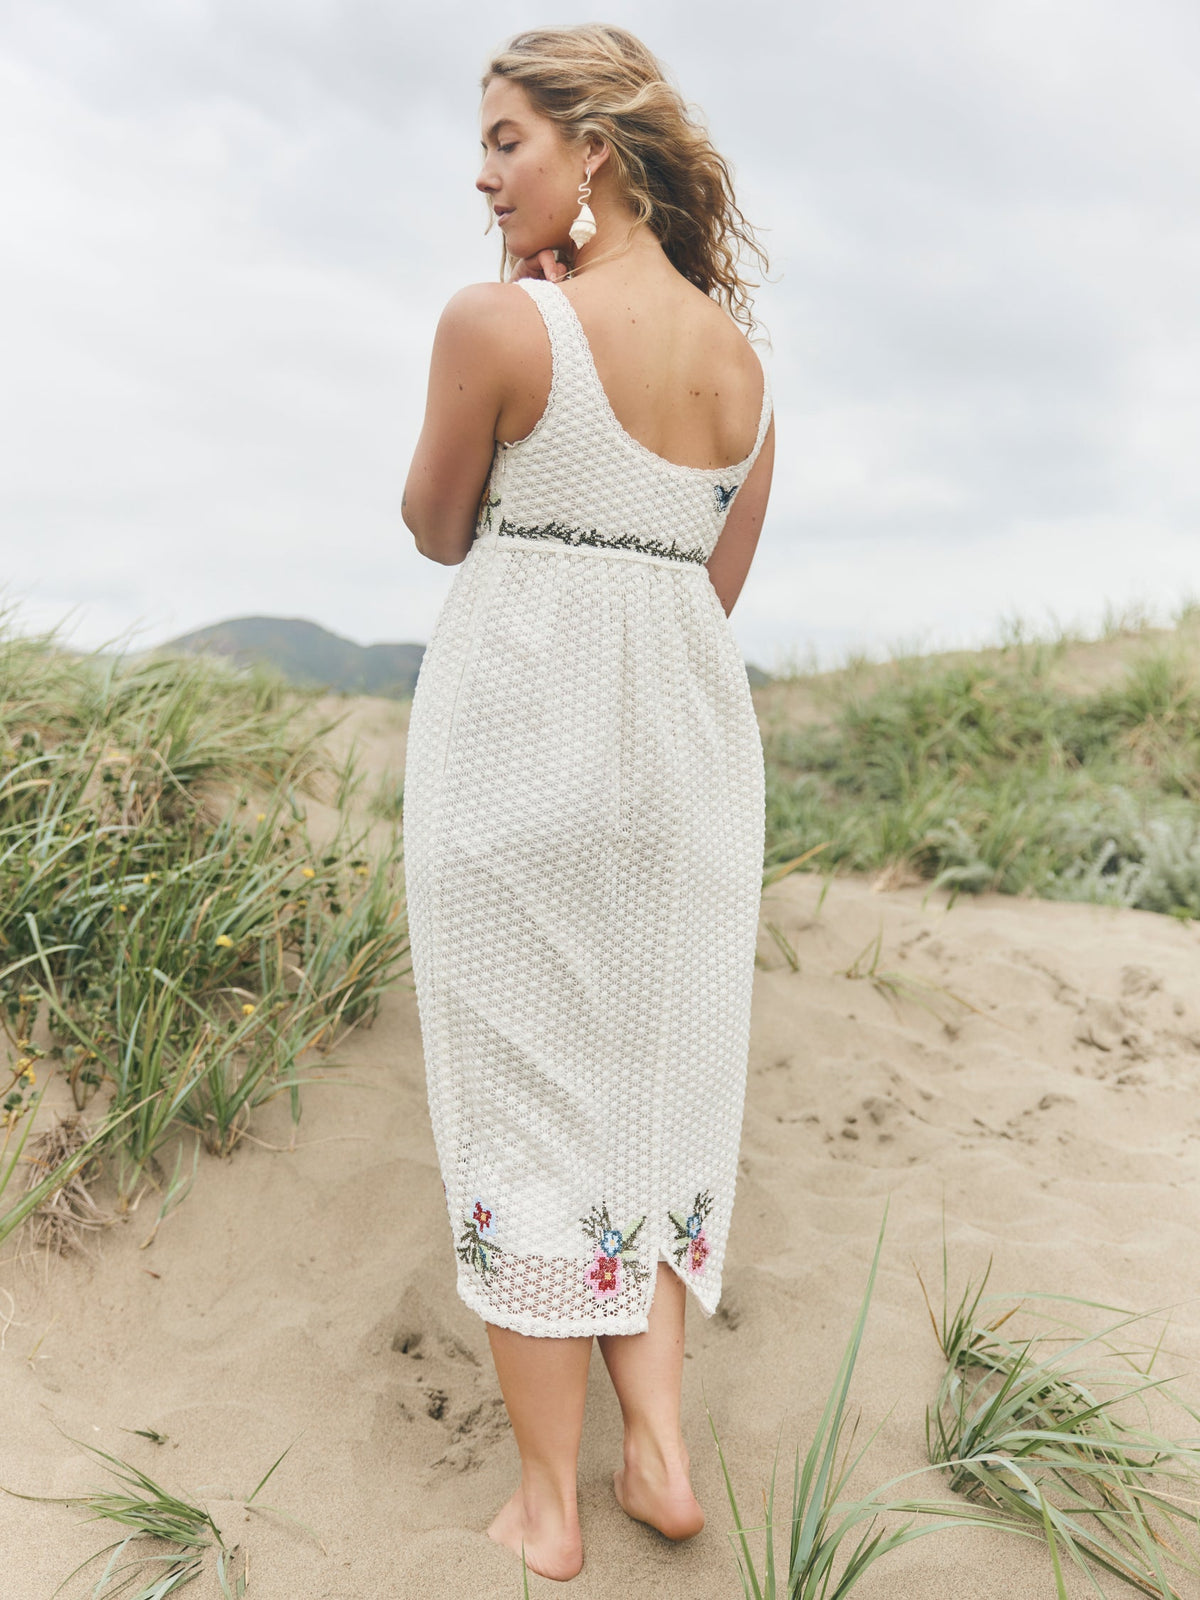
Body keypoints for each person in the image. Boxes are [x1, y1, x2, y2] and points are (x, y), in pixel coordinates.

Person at [401, 23, 775, 1582]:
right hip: (687, 768)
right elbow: (719, 590)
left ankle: (551, 1502)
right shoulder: (742, 364)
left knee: (523, 1105)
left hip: (517, 755)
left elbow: (435, 526)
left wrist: (527, 365)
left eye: (506, 140)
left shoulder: (500, 325)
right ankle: (664, 1454)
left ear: (593, 151)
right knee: (653, 1086)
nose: (482, 176)